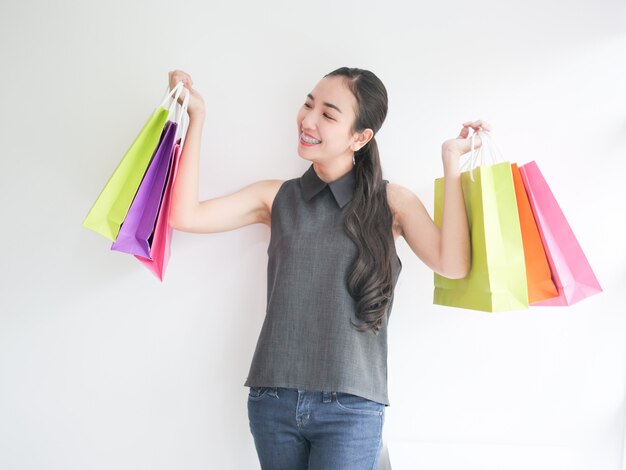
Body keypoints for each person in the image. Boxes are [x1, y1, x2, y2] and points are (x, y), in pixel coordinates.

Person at [167, 67, 489, 470]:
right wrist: (197, 117)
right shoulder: (276, 197)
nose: (308, 119)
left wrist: (451, 163)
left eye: (328, 114)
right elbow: (184, 215)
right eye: (308, 103)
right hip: (273, 400)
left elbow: (453, 264)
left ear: (360, 137)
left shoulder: (392, 203)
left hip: (351, 409)